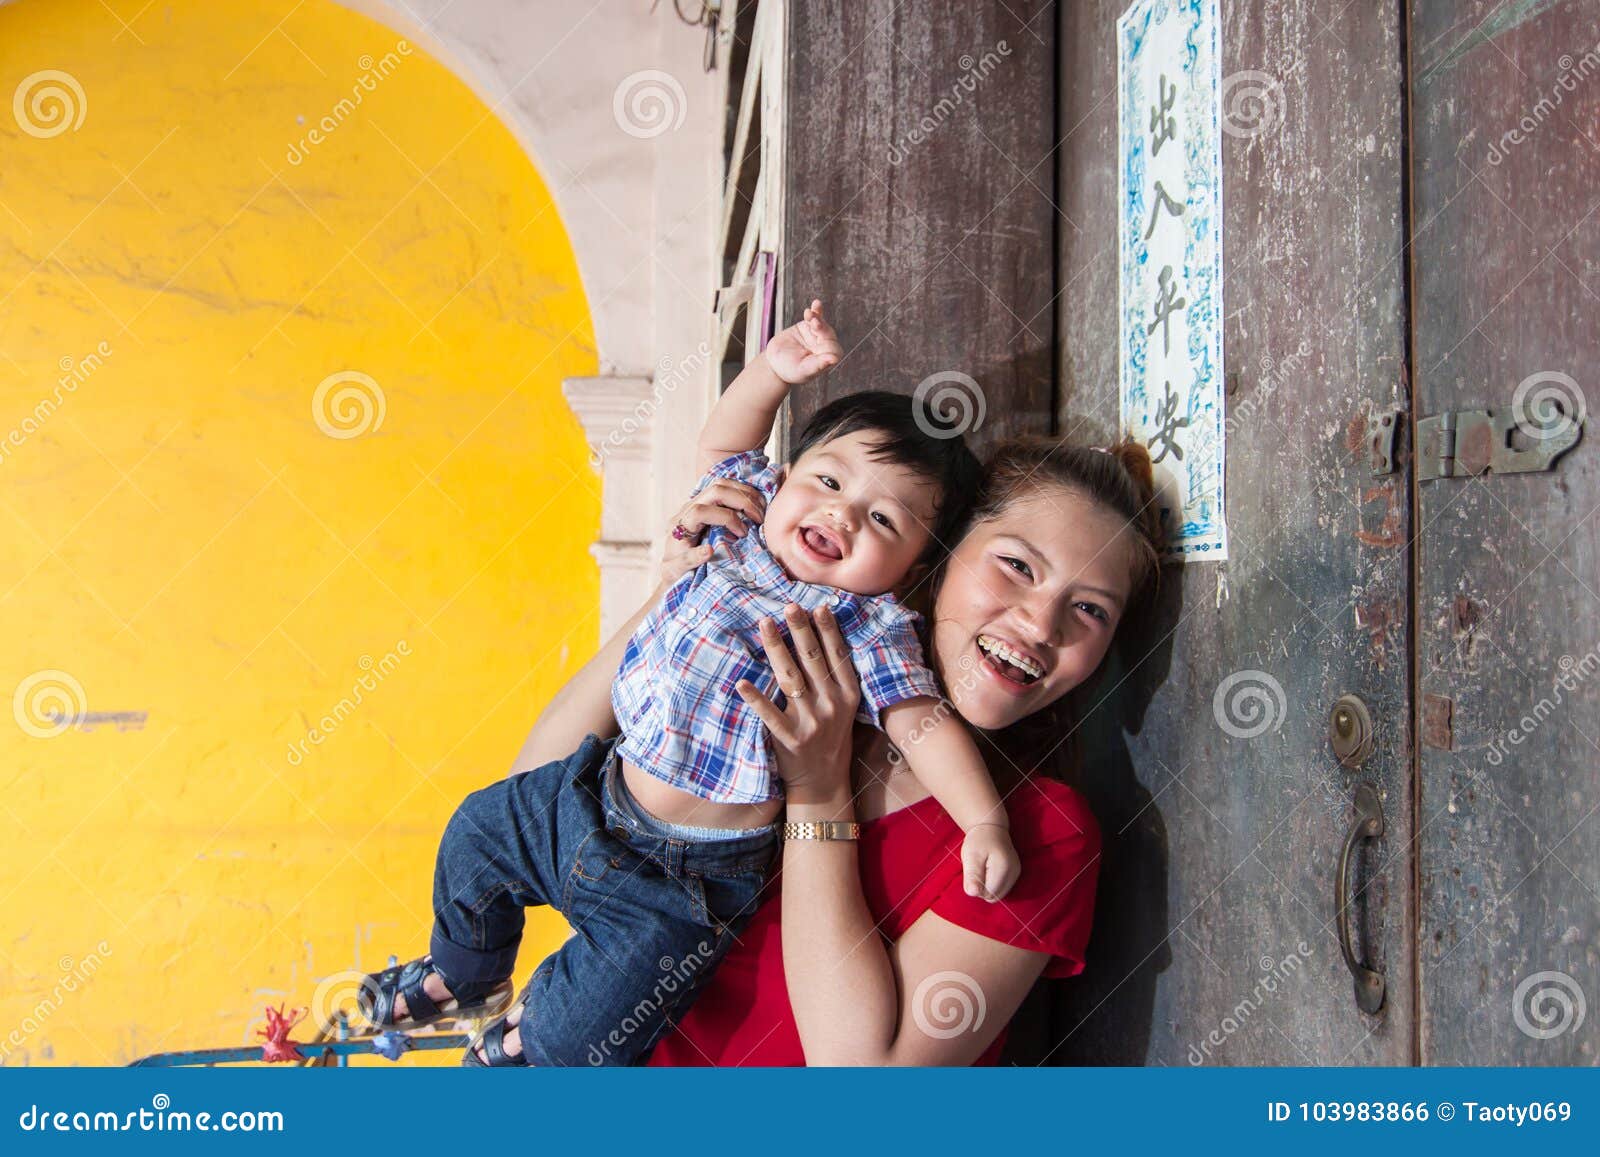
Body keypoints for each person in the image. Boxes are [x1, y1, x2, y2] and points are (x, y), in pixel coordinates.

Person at [359, 300, 1017, 1066]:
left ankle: (525, 1042)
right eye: (829, 479)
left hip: (685, 885)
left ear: (910, 574)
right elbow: (722, 439)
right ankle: (465, 971)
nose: (842, 512)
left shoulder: (865, 625)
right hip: (588, 794)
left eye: (883, 521)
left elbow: (921, 725)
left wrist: (985, 821)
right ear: (787, 476)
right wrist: (774, 368)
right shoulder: (738, 528)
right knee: (475, 831)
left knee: (587, 1028)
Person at [496, 434, 1164, 1065]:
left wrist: (818, 793)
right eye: (1017, 566)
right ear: (936, 556)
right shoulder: (779, 685)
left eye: (1090, 610)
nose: (1039, 624)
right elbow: (526, 798)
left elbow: (860, 1077)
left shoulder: (1038, 833)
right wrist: (685, 594)